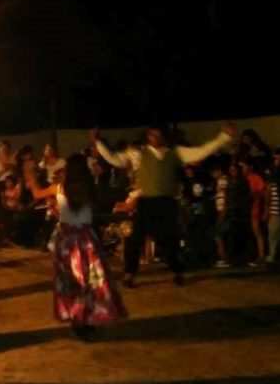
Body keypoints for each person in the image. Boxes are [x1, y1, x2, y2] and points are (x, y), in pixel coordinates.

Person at [92, 123, 236, 287]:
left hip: (167, 202)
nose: (155, 139)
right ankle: (129, 274)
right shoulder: (139, 154)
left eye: (158, 135)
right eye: (152, 135)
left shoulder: (175, 153)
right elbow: (115, 159)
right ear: (147, 136)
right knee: (135, 238)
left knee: (170, 239)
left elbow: (201, 151)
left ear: (164, 137)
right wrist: (98, 142)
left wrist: (223, 137)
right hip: (147, 201)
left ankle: (177, 271)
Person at [26, 154, 126, 339]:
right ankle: (88, 316)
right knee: (91, 280)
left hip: (66, 241)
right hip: (87, 239)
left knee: (71, 281)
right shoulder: (90, 189)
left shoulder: (59, 188)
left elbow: (36, 194)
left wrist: (31, 179)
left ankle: (77, 317)